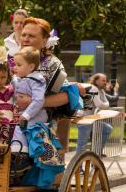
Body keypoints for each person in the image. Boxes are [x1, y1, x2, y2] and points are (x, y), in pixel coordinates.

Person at [15, 17, 84, 154]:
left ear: (44, 40)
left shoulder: (53, 63)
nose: (26, 39)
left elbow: (66, 95)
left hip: (40, 121)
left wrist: (34, 102)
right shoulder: (9, 58)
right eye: (24, 34)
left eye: (32, 36)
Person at [11, 46, 64, 187]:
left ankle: (21, 157)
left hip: (35, 114)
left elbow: (39, 100)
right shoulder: (18, 79)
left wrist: (26, 115)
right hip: (20, 113)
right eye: (15, 64)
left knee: (20, 129)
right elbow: (12, 95)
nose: (15, 68)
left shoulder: (36, 80)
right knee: (9, 128)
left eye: (18, 65)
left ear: (31, 67)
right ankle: (13, 154)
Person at [76, 73, 114, 157]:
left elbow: (104, 104)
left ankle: (96, 153)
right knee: (82, 144)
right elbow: (100, 105)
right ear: (96, 81)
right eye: (103, 80)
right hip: (84, 119)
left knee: (107, 129)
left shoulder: (101, 90)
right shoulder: (93, 88)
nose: (105, 82)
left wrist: (106, 104)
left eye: (105, 80)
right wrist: (107, 103)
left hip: (92, 119)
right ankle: (77, 166)